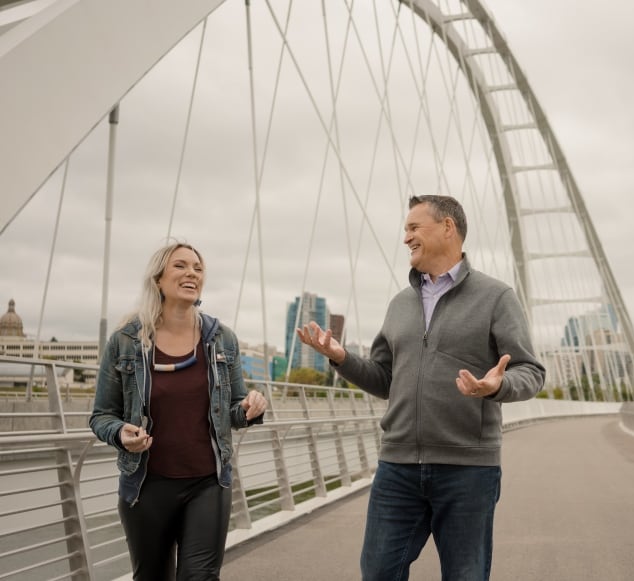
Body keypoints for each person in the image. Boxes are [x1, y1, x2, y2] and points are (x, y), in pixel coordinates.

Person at [297, 195, 546, 580]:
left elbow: (531, 371)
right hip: (397, 468)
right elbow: (384, 379)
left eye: (414, 228)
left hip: (468, 470)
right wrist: (341, 357)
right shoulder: (400, 303)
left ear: (448, 227)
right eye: (405, 230)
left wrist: (496, 386)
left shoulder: (497, 297)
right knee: (378, 573)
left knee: (466, 575)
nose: (405, 238)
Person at [90, 241, 267, 580]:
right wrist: (120, 433)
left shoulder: (222, 339)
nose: (191, 273)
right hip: (147, 485)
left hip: (208, 483)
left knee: (199, 576)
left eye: (198, 268)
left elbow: (234, 409)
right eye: (180, 266)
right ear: (158, 279)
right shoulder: (125, 342)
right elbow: (101, 416)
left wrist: (249, 408)